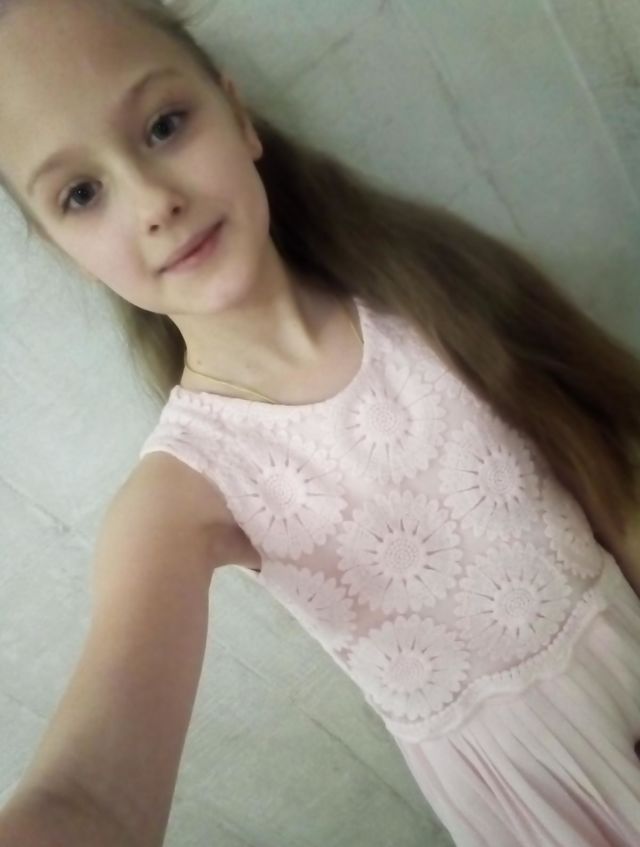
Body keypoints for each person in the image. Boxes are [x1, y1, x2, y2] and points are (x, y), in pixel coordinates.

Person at [0, 0, 638, 845]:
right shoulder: (184, 493)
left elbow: (606, 474)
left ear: (238, 117)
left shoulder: (425, 283)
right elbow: (87, 798)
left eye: (164, 125)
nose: (153, 201)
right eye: (81, 193)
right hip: (548, 804)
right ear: (64, 249)